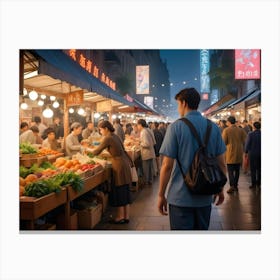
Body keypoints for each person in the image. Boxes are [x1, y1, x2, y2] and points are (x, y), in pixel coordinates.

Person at [158, 88, 226, 230]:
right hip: (205, 195)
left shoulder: (175, 127)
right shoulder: (213, 127)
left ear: (183, 103)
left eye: (178, 104)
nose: (178, 109)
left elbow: (167, 166)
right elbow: (221, 164)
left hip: (180, 197)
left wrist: (161, 195)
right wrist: (219, 188)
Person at [86, 120, 132, 224]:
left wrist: (87, 149)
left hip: (119, 166)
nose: (100, 131)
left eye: (101, 129)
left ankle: (120, 217)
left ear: (106, 129)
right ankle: (126, 216)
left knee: (120, 190)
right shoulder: (115, 136)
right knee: (125, 190)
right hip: (124, 163)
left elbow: (97, 151)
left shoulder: (108, 138)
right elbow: (117, 150)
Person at [222, 116, 247, 193]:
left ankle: (232, 186)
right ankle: (235, 185)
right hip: (239, 152)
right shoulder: (241, 130)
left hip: (230, 152)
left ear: (229, 122)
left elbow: (224, 142)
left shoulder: (226, 130)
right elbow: (245, 140)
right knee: (237, 170)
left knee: (230, 171)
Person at [137, 119, 156, 187]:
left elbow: (146, 144)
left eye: (137, 125)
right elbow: (154, 142)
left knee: (146, 169)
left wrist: (139, 143)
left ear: (140, 125)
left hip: (146, 153)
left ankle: (146, 182)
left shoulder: (143, 132)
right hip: (151, 152)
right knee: (150, 169)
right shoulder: (149, 130)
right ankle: (150, 181)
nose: (137, 126)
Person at [244, 121, 261, 188]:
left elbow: (247, 144)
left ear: (253, 127)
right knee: (260, 169)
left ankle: (253, 184)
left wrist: (245, 152)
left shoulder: (250, 134)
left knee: (253, 169)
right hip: (261, 154)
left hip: (252, 154)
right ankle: (259, 183)